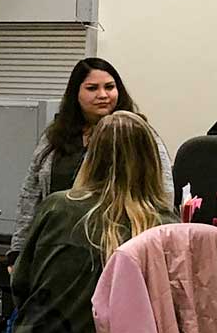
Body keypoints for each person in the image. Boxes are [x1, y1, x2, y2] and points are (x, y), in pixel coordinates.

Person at [3, 111, 178, 333]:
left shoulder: (57, 208)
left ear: (91, 155)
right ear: (152, 161)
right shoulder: (164, 227)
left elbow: (21, 285)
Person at [11, 58, 173, 264]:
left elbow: (162, 190)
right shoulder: (55, 136)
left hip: (113, 246)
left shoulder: (137, 132)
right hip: (56, 246)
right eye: (92, 88)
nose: (103, 95)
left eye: (109, 87)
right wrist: (18, 251)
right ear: (75, 93)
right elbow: (30, 195)